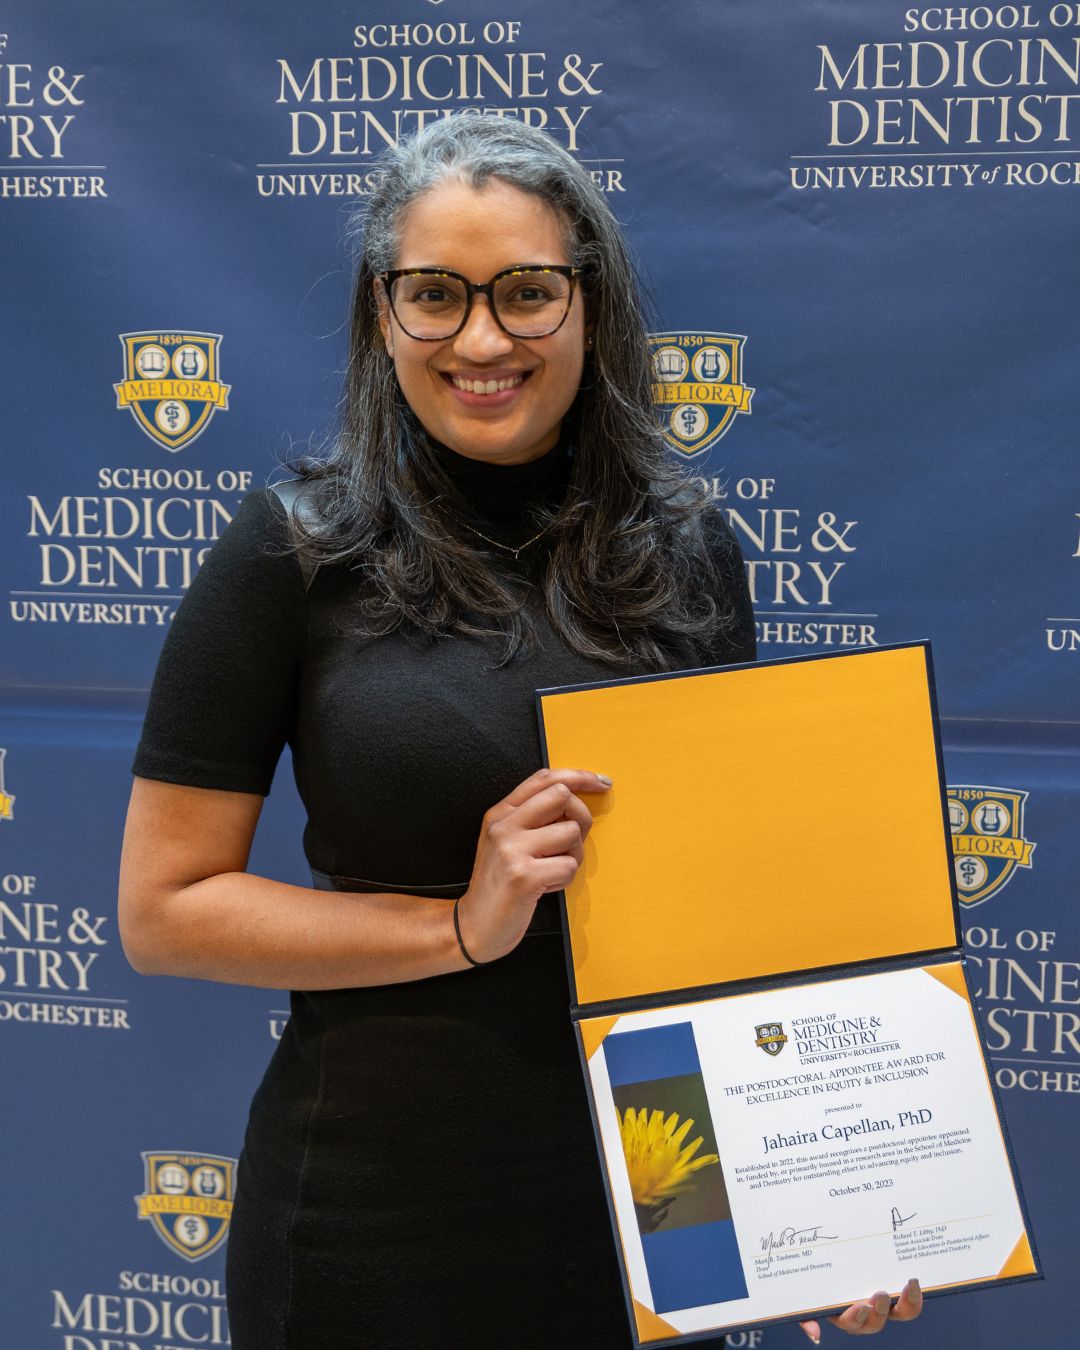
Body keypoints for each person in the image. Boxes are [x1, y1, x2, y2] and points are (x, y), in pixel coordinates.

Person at [119, 117, 922, 1348]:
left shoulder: (691, 554)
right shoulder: (292, 549)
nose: (482, 339)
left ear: (589, 305)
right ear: (382, 314)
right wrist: (460, 923)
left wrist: (817, 1207)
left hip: (644, 1202)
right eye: (435, 295)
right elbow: (163, 912)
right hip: (372, 1213)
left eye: (526, 294)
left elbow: (734, 929)